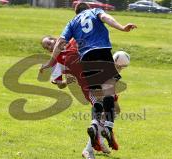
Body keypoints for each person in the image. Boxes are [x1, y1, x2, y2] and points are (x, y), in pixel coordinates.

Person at [40, 2, 136, 155]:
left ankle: (99, 141)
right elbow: (58, 83)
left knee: (114, 109)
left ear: (54, 39)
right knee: (106, 109)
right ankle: (90, 148)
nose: (50, 46)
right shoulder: (58, 61)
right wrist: (64, 81)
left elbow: (88, 41)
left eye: (50, 42)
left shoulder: (73, 39)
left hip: (94, 70)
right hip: (88, 88)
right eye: (46, 47)